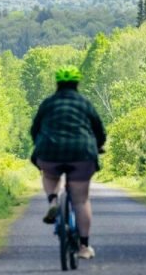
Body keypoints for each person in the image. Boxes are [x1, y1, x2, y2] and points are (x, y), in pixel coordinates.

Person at [30, 65, 106, 260]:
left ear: (58, 83)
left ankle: (53, 201)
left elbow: (34, 129)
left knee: (48, 173)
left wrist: (40, 144)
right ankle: (84, 247)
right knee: (81, 200)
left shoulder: (48, 103)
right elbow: (99, 130)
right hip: (82, 154)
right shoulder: (84, 103)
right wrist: (99, 145)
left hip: (50, 151)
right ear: (76, 83)